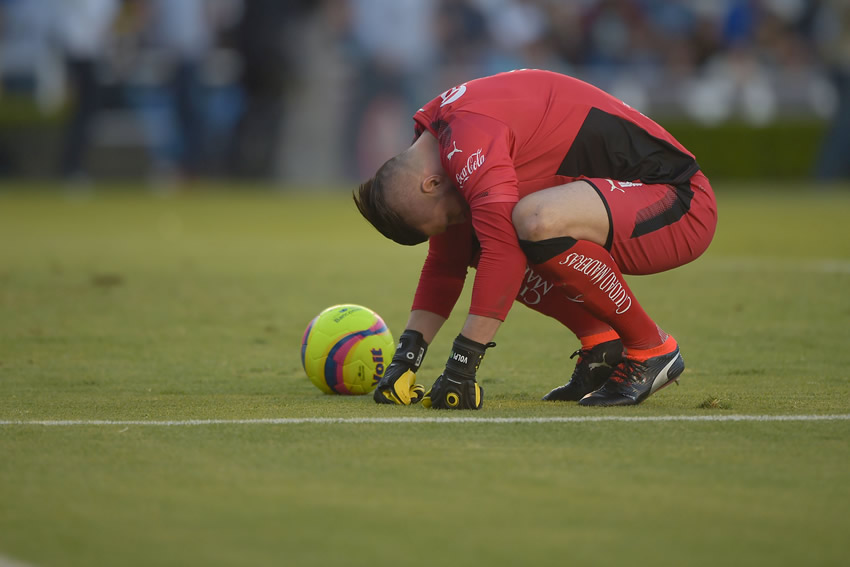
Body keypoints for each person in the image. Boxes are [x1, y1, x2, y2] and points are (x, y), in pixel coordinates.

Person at [353, 69, 717, 409]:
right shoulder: (440, 140)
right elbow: (445, 263)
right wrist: (406, 358)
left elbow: (503, 251)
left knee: (530, 223)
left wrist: (463, 364)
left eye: (447, 217)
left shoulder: (466, 138)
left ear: (429, 185)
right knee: (486, 235)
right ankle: (602, 345)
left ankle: (651, 348)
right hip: (632, 202)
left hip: (679, 203)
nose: (454, 221)